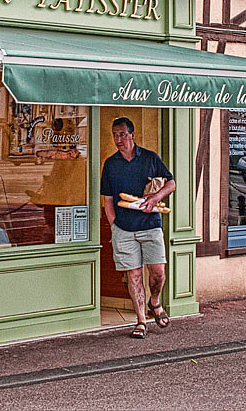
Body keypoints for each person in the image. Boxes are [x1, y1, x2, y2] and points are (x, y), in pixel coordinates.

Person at [100, 116, 176, 339]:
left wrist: (155, 198)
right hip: (124, 228)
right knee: (134, 276)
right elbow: (107, 199)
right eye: (115, 135)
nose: (118, 139)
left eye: (122, 134)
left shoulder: (150, 158)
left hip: (150, 225)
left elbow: (171, 183)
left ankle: (155, 301)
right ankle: (141, 320)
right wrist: (114, 224)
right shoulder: (111, 164)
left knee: (158, 271)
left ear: (133, 135)